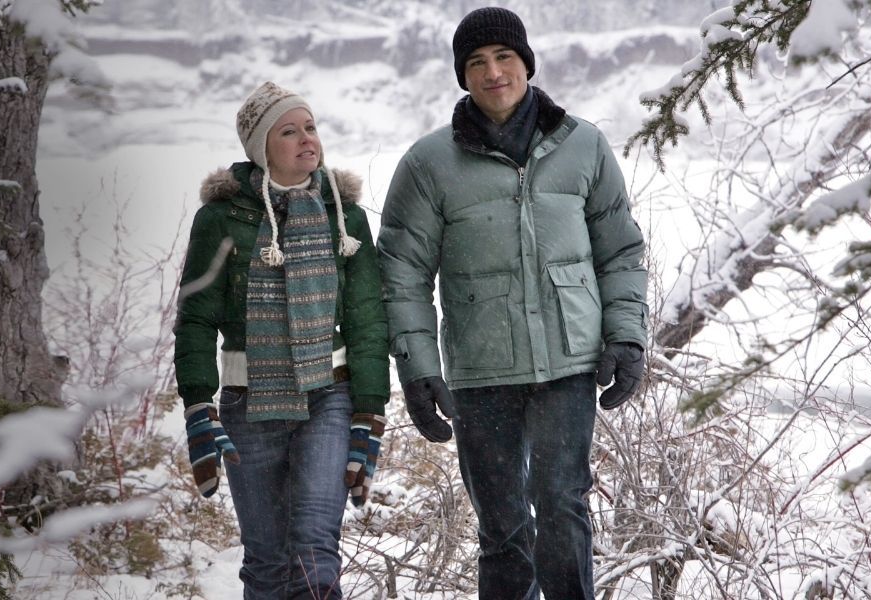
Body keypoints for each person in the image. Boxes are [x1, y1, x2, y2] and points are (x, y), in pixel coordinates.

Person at [376, 7, 648, 600]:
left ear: (525, 63)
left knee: (562, 508)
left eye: (504, 57)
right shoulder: (428, 164)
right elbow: (402, 273)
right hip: (482, 370)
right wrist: (418, 370)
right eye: (476, 62)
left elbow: (621, 252)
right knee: (503, 530)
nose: (492, 72)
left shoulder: (583, 146)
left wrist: (627, 337)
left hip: (568, 364)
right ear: (461, 75)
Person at [173, 81, 390, 600]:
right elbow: (196, 317)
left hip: (329, 397)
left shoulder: (346, 215)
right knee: (267, 565)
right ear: (260, 148)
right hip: (249, 405)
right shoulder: (221, 219)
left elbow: (366, 318)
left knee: (316, 553)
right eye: (288, 131)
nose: (306, 140)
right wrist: (199, 406)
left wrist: (370, 411)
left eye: (310, 127)